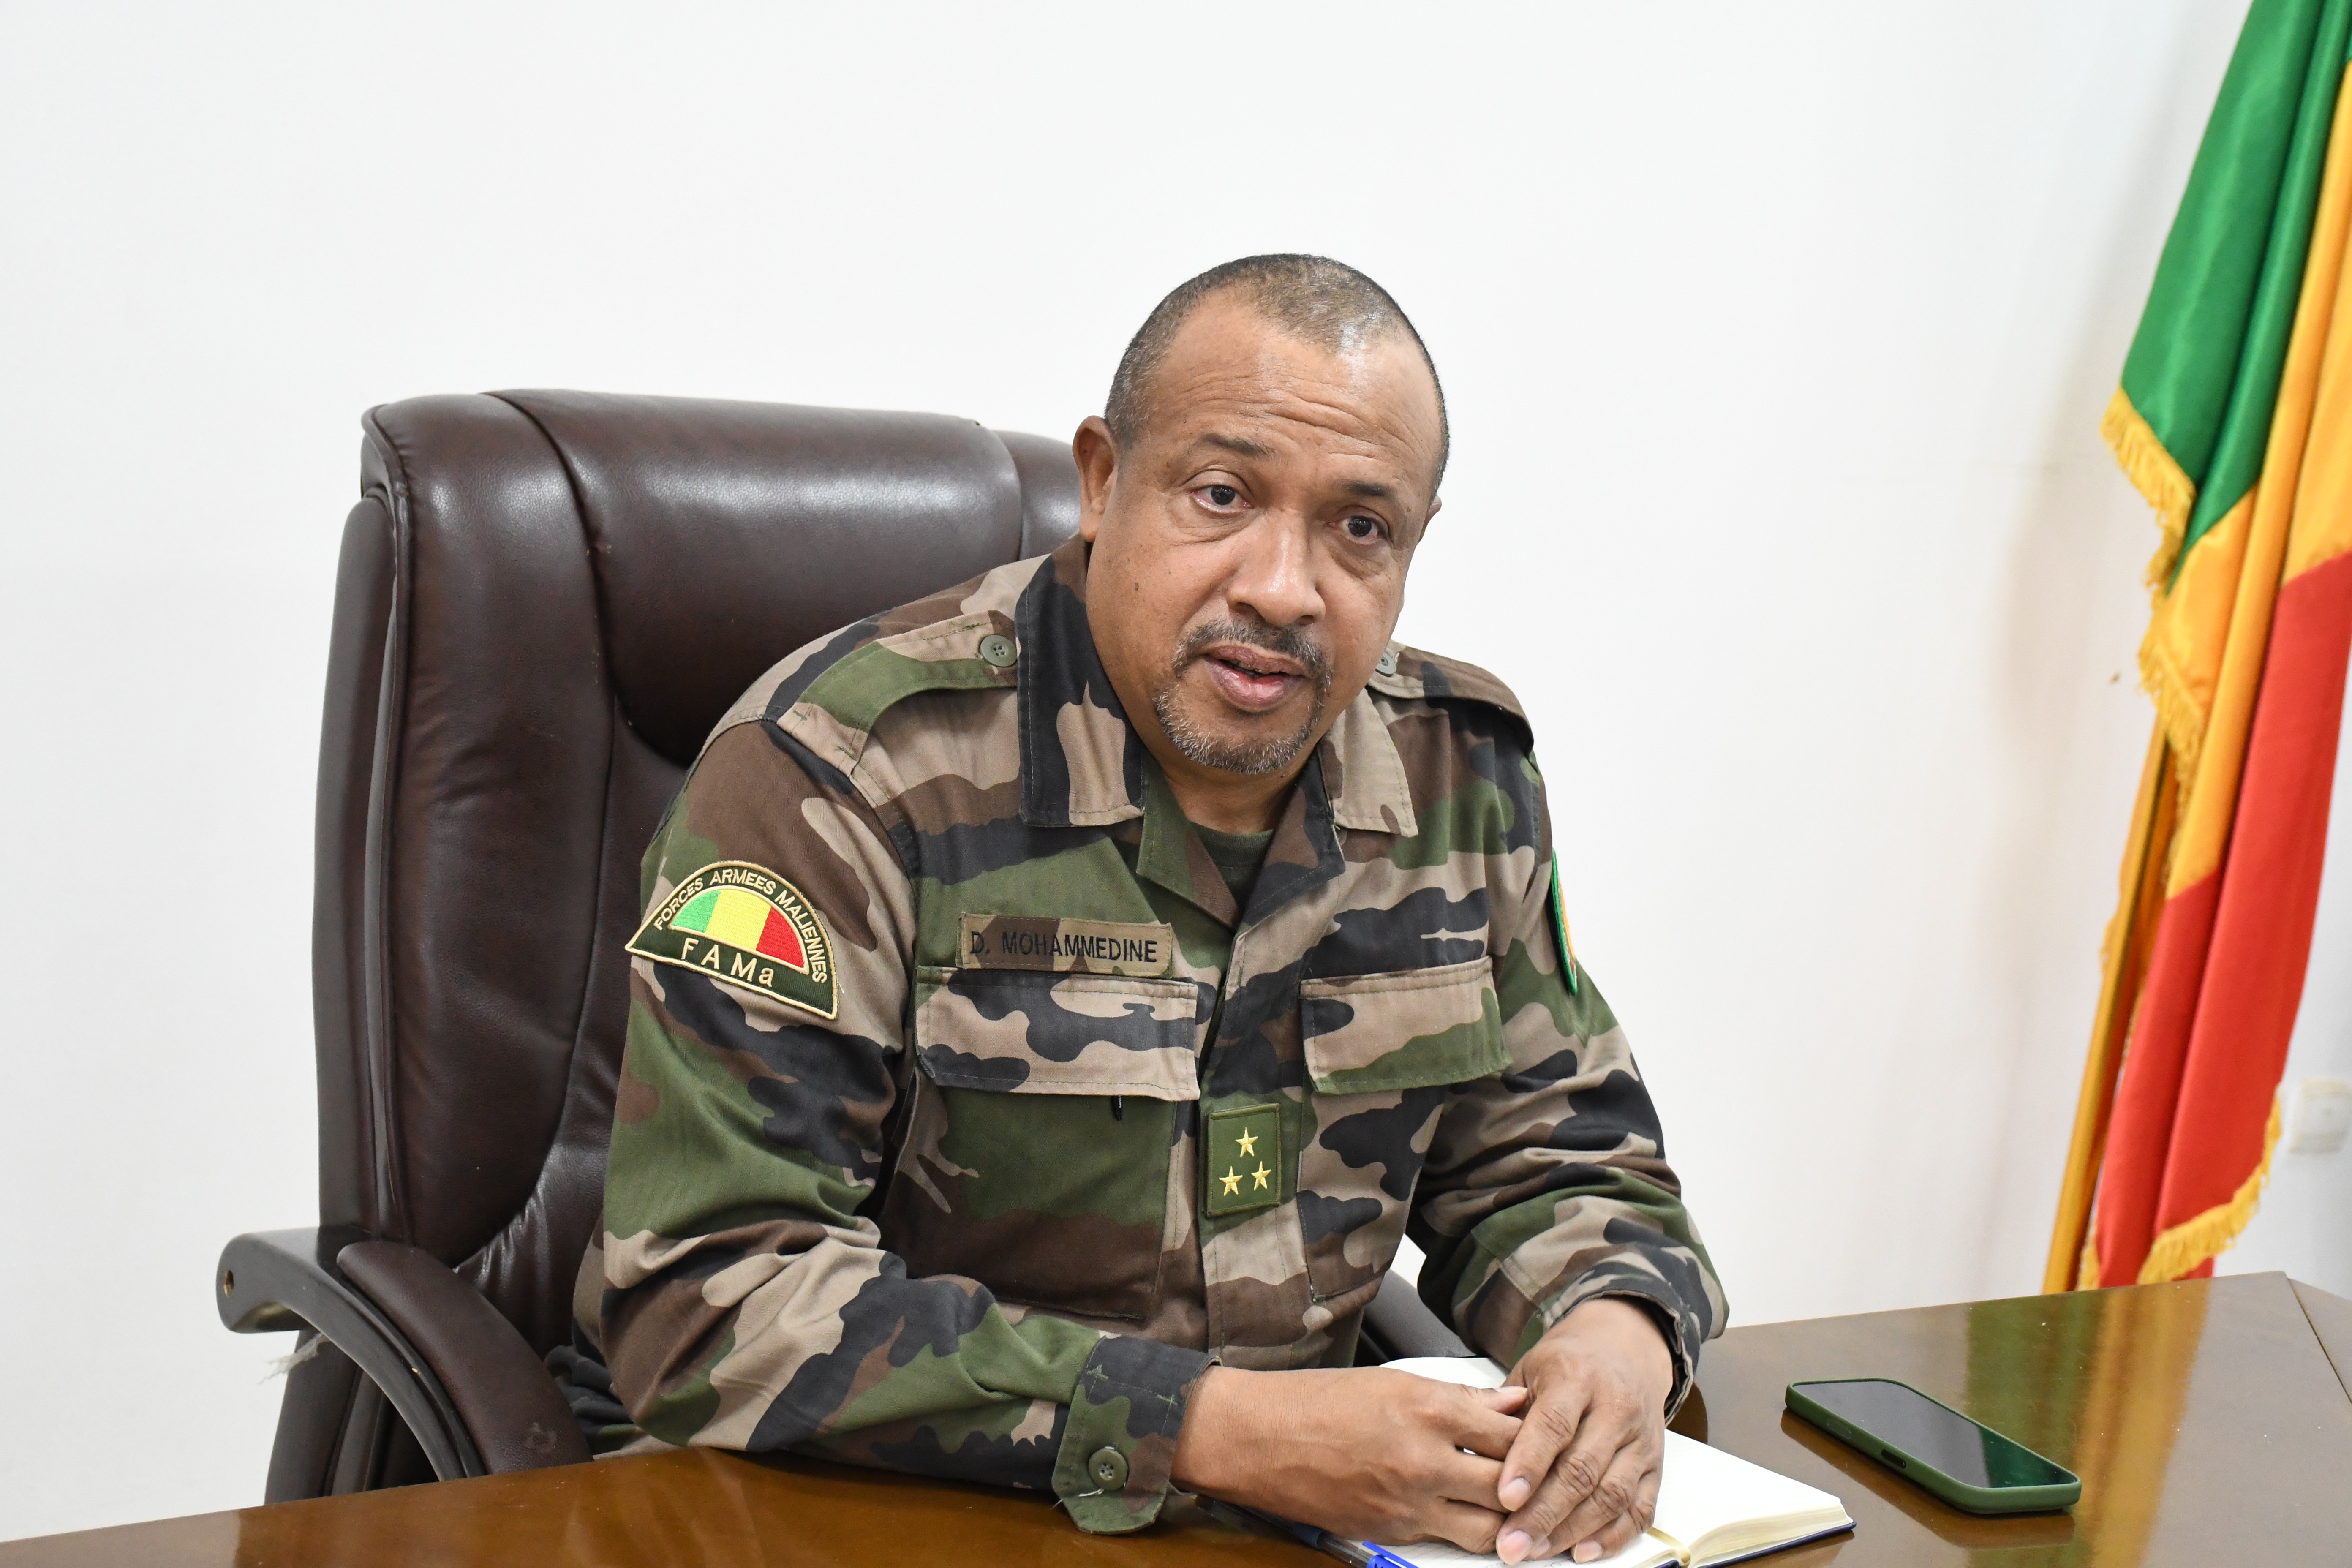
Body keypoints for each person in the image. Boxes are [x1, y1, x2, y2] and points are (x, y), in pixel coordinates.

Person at [551, 255, 1726, 1565]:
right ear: (1104, 482)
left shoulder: (1458, 775)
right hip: (849, 1510)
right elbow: (712, 1291)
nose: (1284, 587)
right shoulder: (844, 771)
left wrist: (1614, 1333)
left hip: (1281, 1530)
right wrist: (1210, 1428)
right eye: (1223, 495)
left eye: (1360, 528)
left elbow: (1558, 1163)